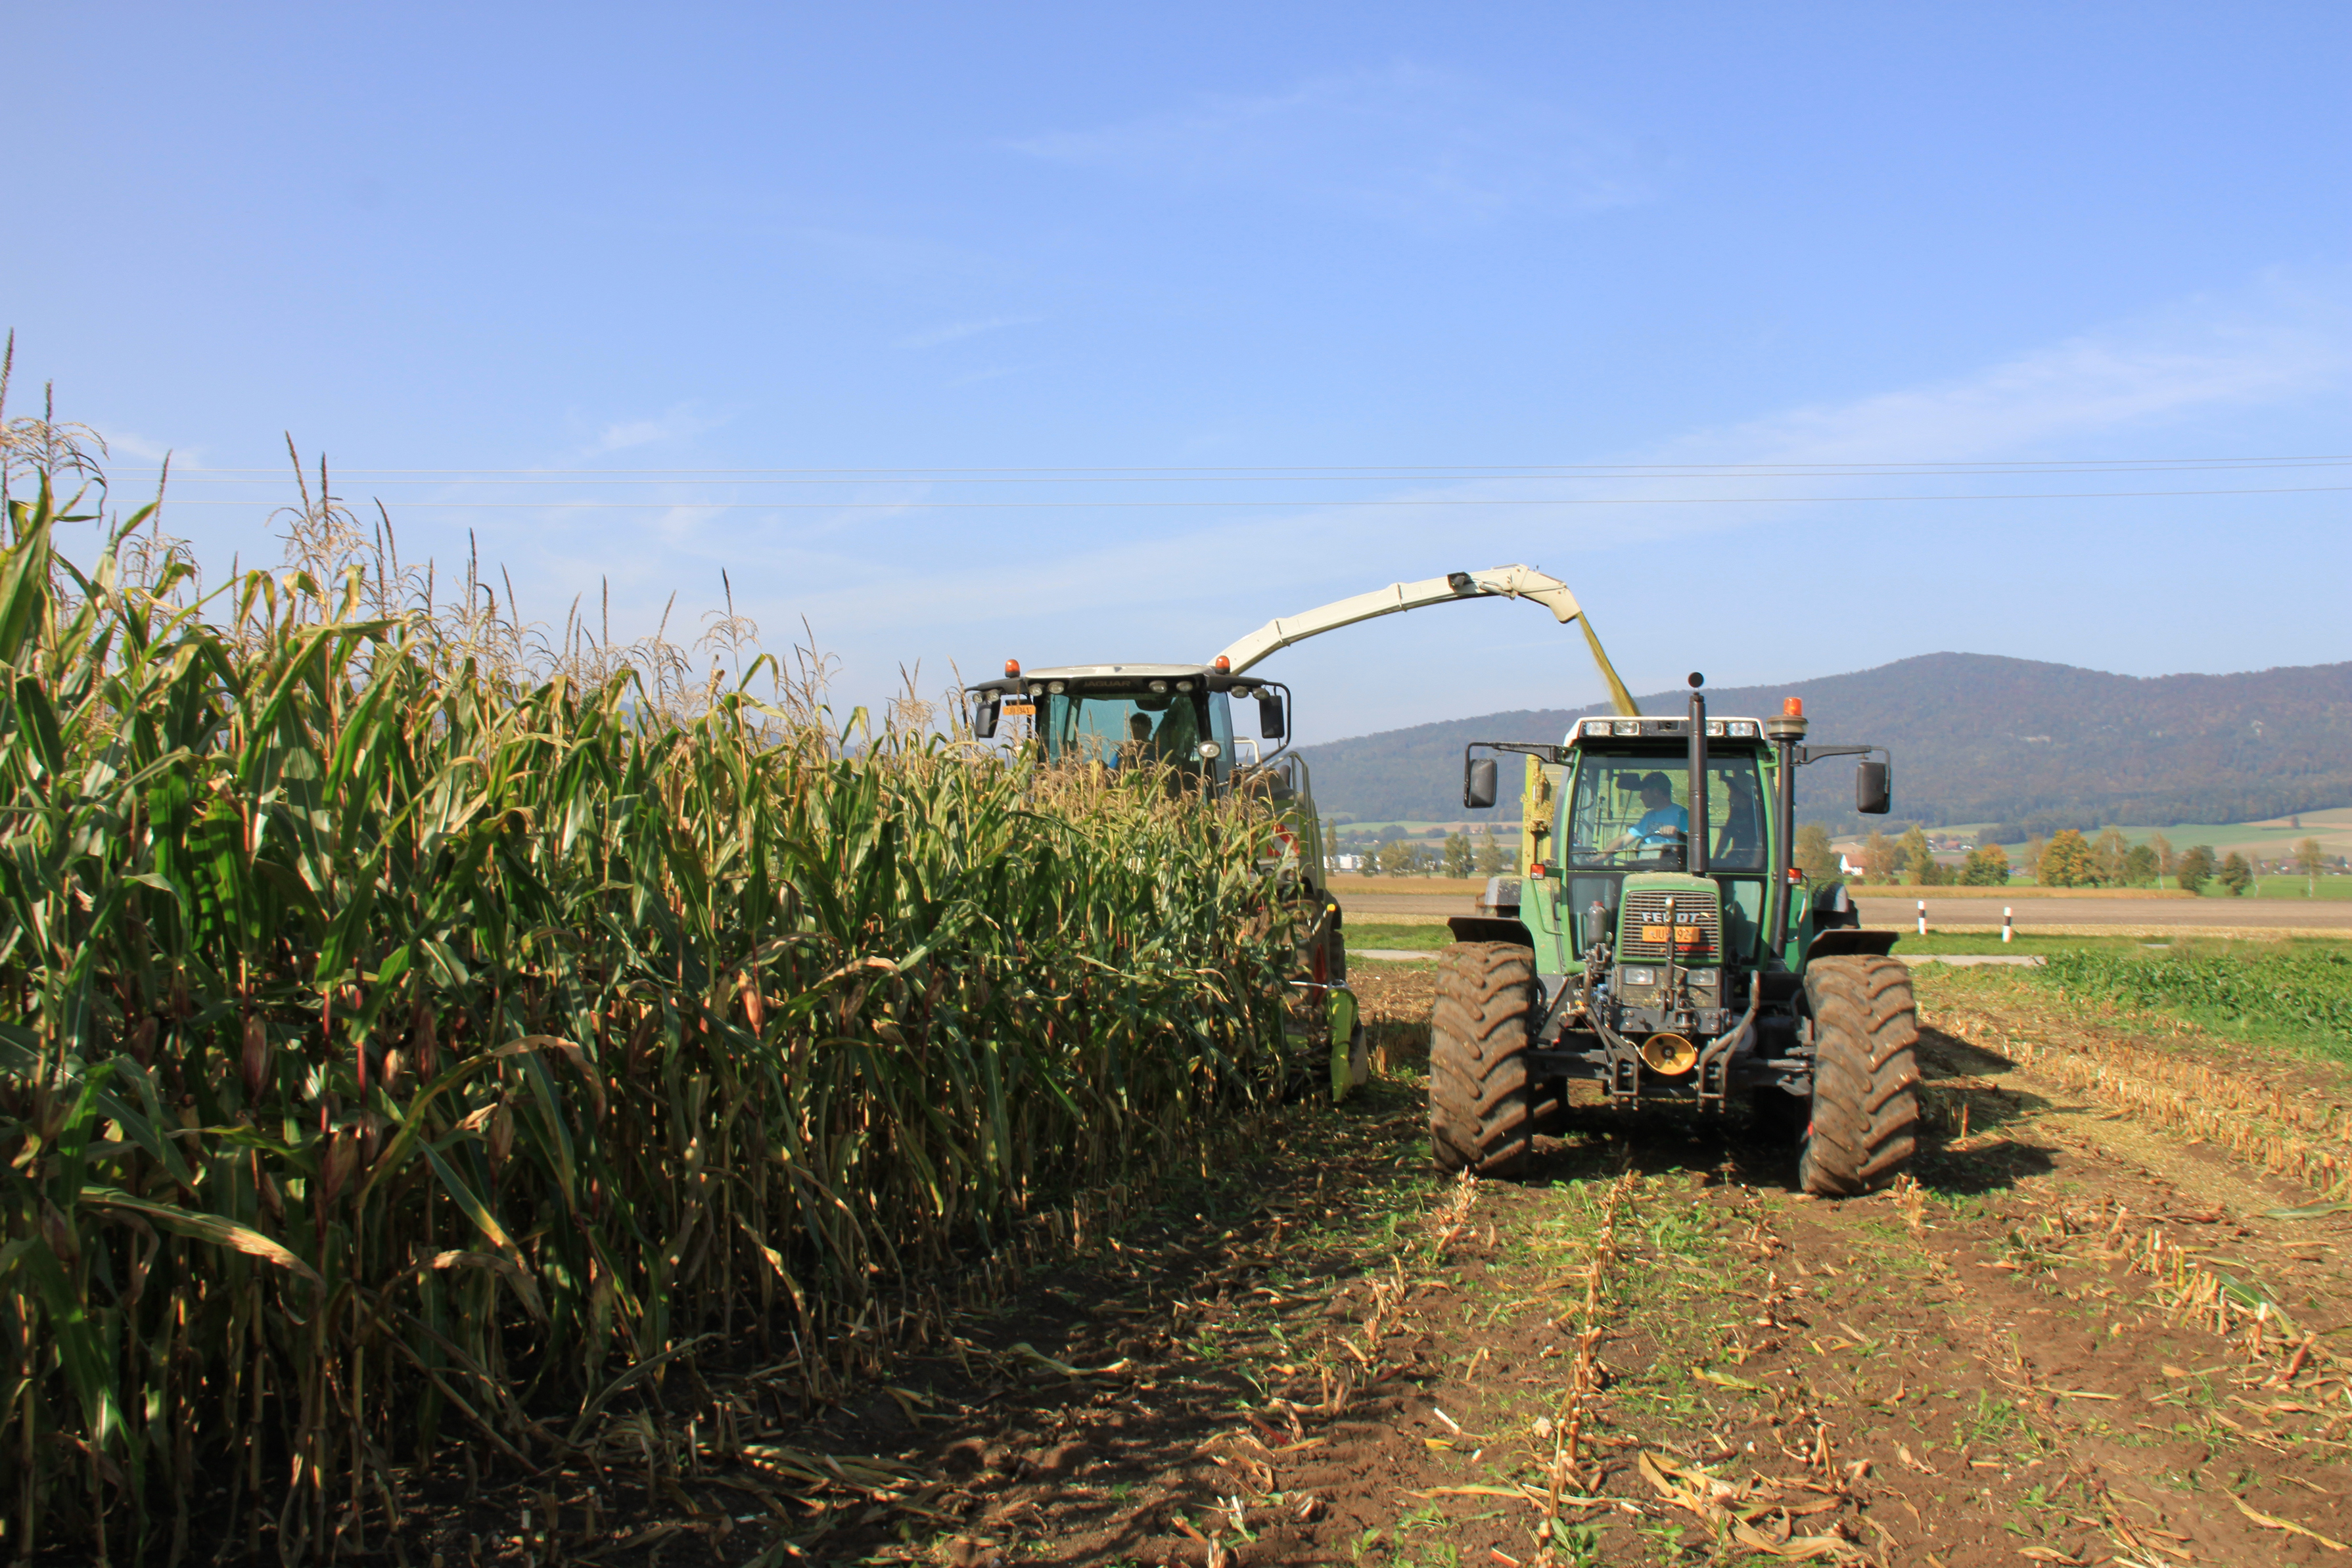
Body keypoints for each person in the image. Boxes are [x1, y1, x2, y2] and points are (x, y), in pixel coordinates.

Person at [1607, 772, 1687, 854]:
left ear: (1656, 792)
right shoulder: (1648, 816)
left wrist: (1677, 834)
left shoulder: (1681, 814)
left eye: (1644, 791)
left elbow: (1693, 838)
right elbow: (1623, 840)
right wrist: (1603, 856)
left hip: (1672, 861)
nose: (1640, 797)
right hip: (1650, 860)